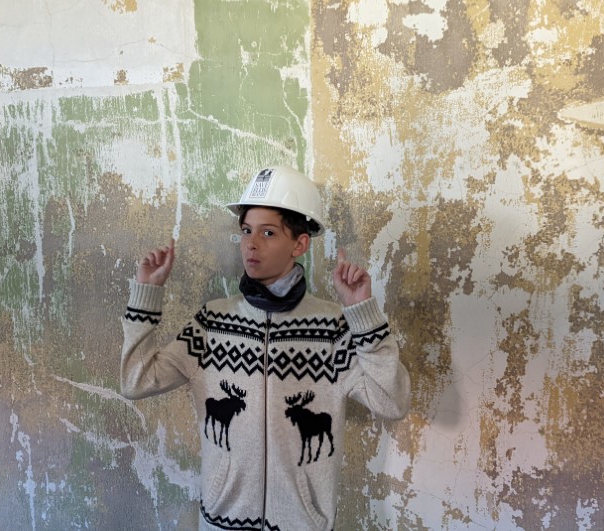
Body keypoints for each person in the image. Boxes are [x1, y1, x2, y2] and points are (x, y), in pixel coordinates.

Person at [120, 165, 410, 530]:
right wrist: (146, 295)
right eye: (246, 230)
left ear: (300, 244)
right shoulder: (213, 323)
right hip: (222, 522)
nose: (251, 243)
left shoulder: (331, 328)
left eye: (268, 232)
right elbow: (136, 381)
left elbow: (392, 402)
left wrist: (362, 314)